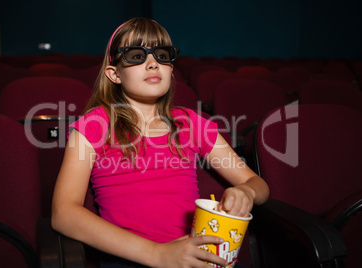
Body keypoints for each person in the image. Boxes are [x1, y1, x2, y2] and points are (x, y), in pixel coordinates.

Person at [51, 18, 269, 268]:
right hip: (130, 258)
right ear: (114, 74)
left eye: (162, 55)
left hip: (196, 256)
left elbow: (258, 184)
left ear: (171, 69)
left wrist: (247, 192)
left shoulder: (190, 124)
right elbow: (63, 213)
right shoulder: (95, 126)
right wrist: (157, 254)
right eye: (135, 55)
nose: (153, 63)